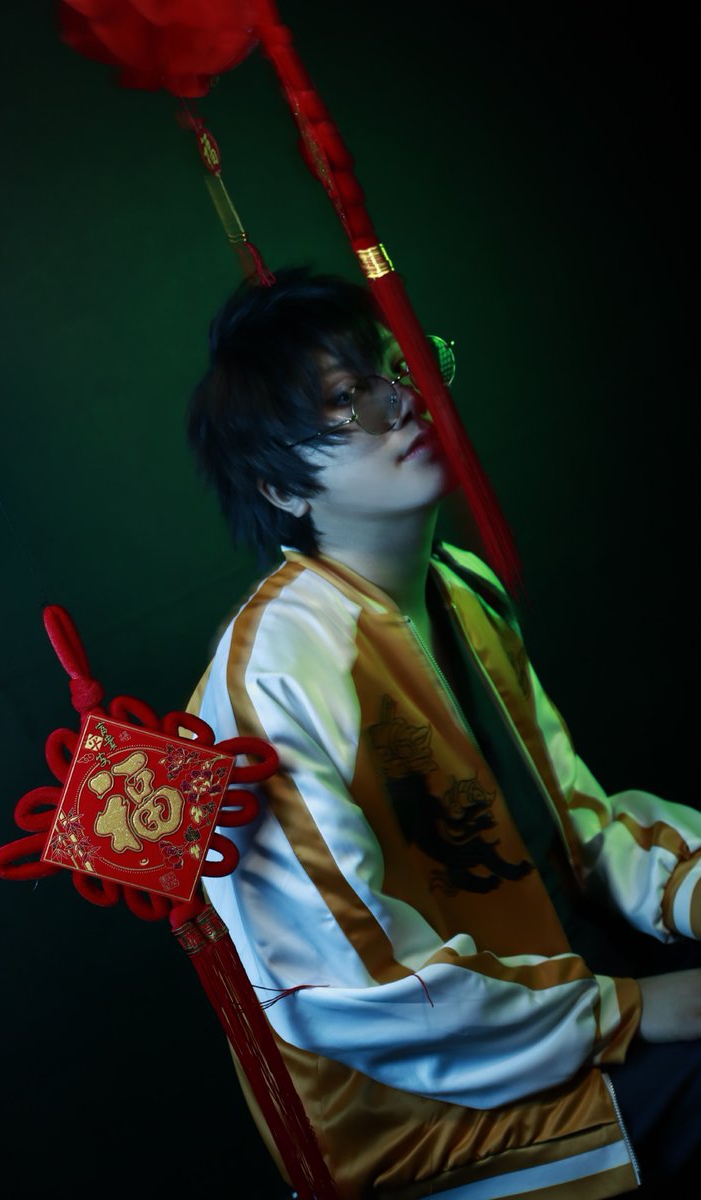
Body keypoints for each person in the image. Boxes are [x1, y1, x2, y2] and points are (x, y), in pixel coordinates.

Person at [185, 266, 701, 1199]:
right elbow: (362, 991)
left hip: (557, 998)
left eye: (400, 367)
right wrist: (629, 1009)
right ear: (276, 484)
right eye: (351, 397)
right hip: (428, 1112)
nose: (403, 401)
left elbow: (573, 822)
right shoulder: (274, 678)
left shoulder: (459, 584)